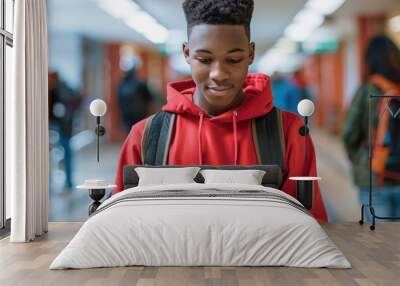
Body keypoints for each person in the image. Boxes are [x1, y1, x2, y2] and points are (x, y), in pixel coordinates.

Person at [113, 0, 327, 221]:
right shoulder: (147, 136)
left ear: (251, 53)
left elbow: (310, 228)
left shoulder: (289, 133)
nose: (219, 74)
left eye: (233, 60)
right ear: (187, 53)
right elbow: (118, 226)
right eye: (205, 59)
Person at [342, 34, 400, 220]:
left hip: (374, 177)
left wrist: (361, 160)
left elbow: (349, 133)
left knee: (380, 243)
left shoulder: (367, 90)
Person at [49, 72, 82, 190]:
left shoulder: (61, 89)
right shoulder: (59, 88)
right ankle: (66, 181)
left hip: (64, 126)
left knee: (66, 152)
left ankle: (68, 181)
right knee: (64, 153)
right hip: (61, 125)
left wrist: (66, 115)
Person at [117, 67, 153, 133]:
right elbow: (149, 97)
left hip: (126, 115)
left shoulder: (121, 84)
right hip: (139, 115)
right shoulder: (140, 83)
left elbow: (119, 101)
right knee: (139, 134)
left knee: (129, 134)